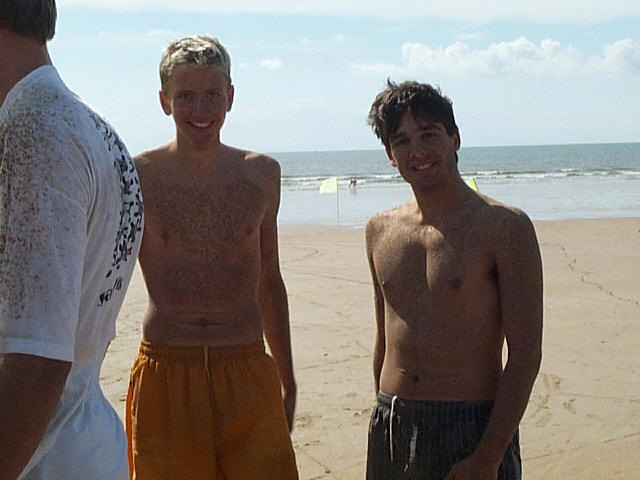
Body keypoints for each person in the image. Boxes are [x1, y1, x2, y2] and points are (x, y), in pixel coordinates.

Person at [126, 36, 298, 479]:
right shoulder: (137, 175)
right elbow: (105, 275)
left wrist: (288, 378)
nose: (200, 109)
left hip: (245, 363)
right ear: (164, 101)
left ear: (230, 97)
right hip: (166, 365)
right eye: (185, 95)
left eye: (212, 95)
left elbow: (270, 281)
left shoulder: (261, 174)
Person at [364, 80, 543, 480]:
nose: (417, 150)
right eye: (402, 141)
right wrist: (382, 416)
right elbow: (385, 338)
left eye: (429, 135)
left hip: (470, 425)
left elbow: (526, 354)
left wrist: (489, 456)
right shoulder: (380, 230)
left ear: (455, 139)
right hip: (392, 420)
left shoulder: (504, 227)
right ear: (390, 155)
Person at [0, 1, 144, 479]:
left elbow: (37, 362)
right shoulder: (89, 125)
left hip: (43, 461)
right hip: (83, 441)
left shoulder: (36, 130)